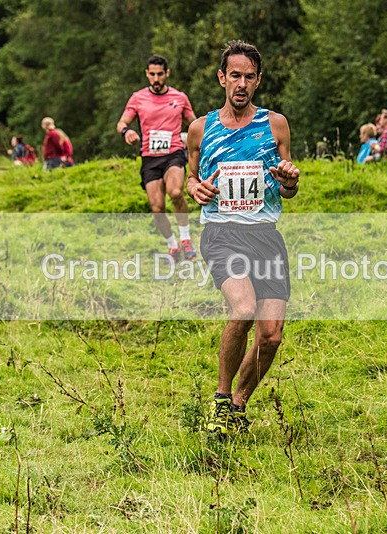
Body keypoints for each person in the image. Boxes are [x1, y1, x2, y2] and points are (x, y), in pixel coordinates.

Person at [185, 40, 301, 436]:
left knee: (270, 336)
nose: (241, 83)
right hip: (222, 233)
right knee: (243, 308)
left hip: (266, 236)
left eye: (249, 76)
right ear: (222, 78)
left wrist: (289, 183)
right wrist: (194, 189)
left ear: (258, 80)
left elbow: (287, 187)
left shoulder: (275, 124)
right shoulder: (201, 128)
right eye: (234, 75)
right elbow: (192, 177)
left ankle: (237, 405)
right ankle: (220, 398)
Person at [117, 54, 198, 261]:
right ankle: (172, 245)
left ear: (167, 74)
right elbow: (122, 123)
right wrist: (127, 132)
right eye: (152, 74)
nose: (155, 79)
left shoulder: (180, 98)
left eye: (159, 74)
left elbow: (194, 124)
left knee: (176, 192)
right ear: (147, 74)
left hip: (173, 154)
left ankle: (186, 238)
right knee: (157, 207)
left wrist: (204, 141)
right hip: (149, 158)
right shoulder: (137, 98)